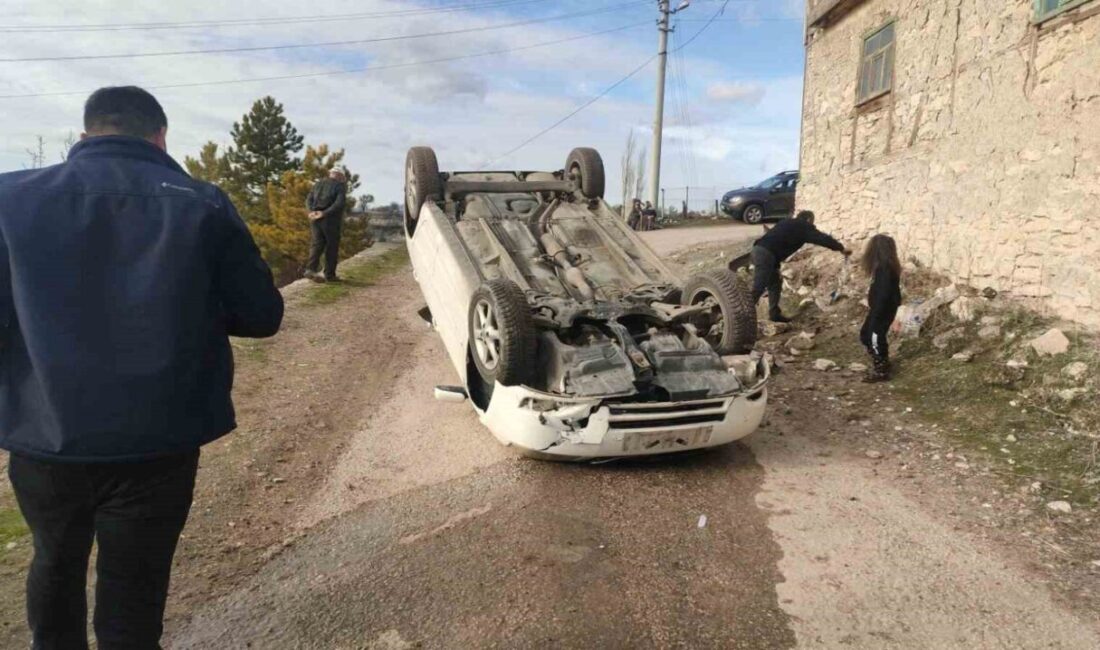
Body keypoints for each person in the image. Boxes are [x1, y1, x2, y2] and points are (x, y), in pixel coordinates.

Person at [0, 86, 284, 649]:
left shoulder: (9, 196)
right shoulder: (202, 203)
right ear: (160, 137)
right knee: (135, 586)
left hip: (44, 435)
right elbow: (261, 315)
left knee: (53, 559)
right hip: (159, 437)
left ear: (85, 136)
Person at [745, 210, 851, 323]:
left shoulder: (786, 222)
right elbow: (822, 238)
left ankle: (774, 314)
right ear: (809, 220)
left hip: (760, 250)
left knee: (775, 283)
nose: (812, 225)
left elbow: (776, 241)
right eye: (812, 223)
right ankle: (742, 316)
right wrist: (841, 248)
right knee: (759, 287)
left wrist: (775, 266)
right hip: (766, 254)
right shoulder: (804, 226)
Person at [859, 234, 903, 383]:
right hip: (878, 308)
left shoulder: (885, 269)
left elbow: (885, 294)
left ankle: (881, 369)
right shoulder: (881, 268)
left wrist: (878, 312)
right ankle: (880, 361)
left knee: (875, 337)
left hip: (882, 309)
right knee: (866, 334)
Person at [305, 168, 348, 282]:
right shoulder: (339, 186)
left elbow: (309, 199)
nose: (343, 180)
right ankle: (329, 275)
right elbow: (339, 203)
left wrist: (311, 212)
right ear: (339, 176)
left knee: (316, 244)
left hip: (315, 218)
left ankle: (310, 269)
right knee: (331, 247)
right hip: (330, 220)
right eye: (342, 178)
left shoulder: (318, 184)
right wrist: (324, 213)